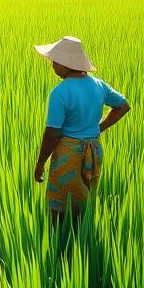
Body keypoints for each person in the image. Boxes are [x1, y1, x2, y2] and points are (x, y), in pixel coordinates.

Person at [32, 36, 130, 218]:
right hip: (93, 151)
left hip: (68, 156)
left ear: (67, 63)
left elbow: (52, 133)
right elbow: (123, 106)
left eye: (55, 61)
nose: (52, 65)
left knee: (59, 207)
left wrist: (40, 163)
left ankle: (59, 241)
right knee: (85, 203)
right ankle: (82, 239)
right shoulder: (98, 85)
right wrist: (98, 129)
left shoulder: (60, 92)